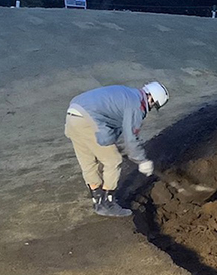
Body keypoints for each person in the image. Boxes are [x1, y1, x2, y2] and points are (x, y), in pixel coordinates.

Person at [64, 81, 169, 217]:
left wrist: (113, 143)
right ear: (151, 98)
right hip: (88, 120)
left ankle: (97, 201)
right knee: (113, 161)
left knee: (89, 162)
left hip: (72, 116)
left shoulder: (128, 94)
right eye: (154, 104)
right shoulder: (137, 105)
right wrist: (142, 161)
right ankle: (108, 204)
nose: (151, 107)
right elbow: (131, 138)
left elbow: (114, 123)